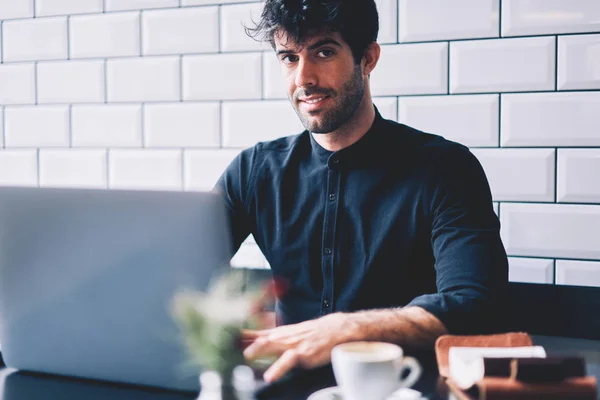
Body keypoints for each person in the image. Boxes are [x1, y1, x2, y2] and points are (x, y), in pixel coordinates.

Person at [214, 0, 508, 384]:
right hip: (283, 388)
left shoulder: (446, 169)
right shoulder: (254, 170)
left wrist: (345, 329)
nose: (304, 78)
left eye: (324, 52)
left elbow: (475, 305)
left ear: (368, 58)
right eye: (289, 57)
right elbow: (179, 271)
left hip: (402, 388)